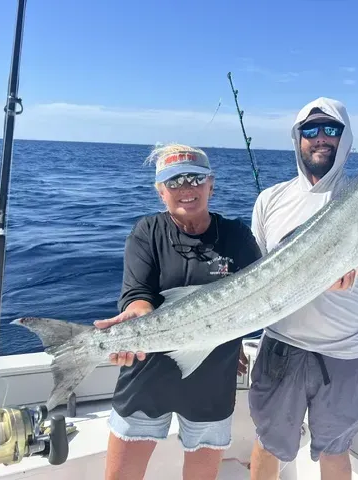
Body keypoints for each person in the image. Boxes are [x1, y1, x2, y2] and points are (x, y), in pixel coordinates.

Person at [247, 97, 358, 480]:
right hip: (279, 346)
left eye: (330, 129)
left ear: (344, 138)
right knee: (268, 444)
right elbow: (256, 278)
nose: (320, 137)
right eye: (310, 130)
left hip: (341, 351)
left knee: (335, 450)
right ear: (297, 138)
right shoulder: (270, 199)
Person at [93, 143, 262, 480]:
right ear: (161, 192)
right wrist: (137, 315)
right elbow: (138, 294)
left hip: (212, 381)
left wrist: (233, 341)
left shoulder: (237, 235)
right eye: (174, 181)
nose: (186, 188)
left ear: (211, 184)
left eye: (195, 179)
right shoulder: (147, 232)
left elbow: (258, 294)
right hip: (147, 375)